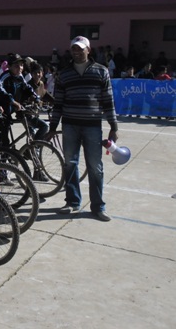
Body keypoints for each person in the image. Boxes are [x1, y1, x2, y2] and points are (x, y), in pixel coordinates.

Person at [46, 36, 118, 222]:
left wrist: (113, 126)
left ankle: (98, 207)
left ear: (89, 50)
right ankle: (72, 202)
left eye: (80, 49)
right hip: (69, 125)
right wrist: (53, 127)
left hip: (93, 126)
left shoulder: (101, 72)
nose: (77, 52)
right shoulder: (64, 74)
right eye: (73, 49)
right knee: (70, 163)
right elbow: (58, 103)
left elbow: (108, 101)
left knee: (95, 167)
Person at [0, 53, 40, 147]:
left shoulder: (20, 77)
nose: (20, 68)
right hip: (1, 110)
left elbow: (27, 87)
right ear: (9, 67)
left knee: (35, 125)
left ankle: (12, 153)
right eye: (16, 66)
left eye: (21, 65)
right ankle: (0, 156)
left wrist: (35, 97)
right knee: (2, 137)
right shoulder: (5, 76)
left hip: (12, 108)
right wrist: (12, 101)